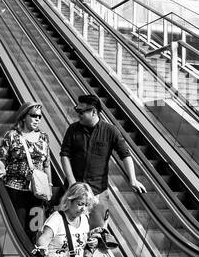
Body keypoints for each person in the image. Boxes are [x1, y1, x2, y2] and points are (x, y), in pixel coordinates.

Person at [60, 94, 145, 235]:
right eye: (77, 109)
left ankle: (90, 256)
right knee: (67, 231)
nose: (78, 114)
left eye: (81, 111)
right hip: (73, 190)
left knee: (96, 233)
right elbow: (65, 155)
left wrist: (133, 179)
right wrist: (72, 182)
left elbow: (125, 154)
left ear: (93, 111)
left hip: (97, 191)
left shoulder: (110, 131)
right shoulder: (73, 129)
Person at [0, 101, 51, 240]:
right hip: (16, 189)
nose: (37, 119)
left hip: (37, 192)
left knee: (35, 228)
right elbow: (1, 158)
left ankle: (33, 254)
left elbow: (46, 164)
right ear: (24, 116)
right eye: (34, 115)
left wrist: (49, 186)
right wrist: (2, 169)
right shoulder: (12, 135)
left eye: (39, 117)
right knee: (17, 227)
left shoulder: (44, 137)